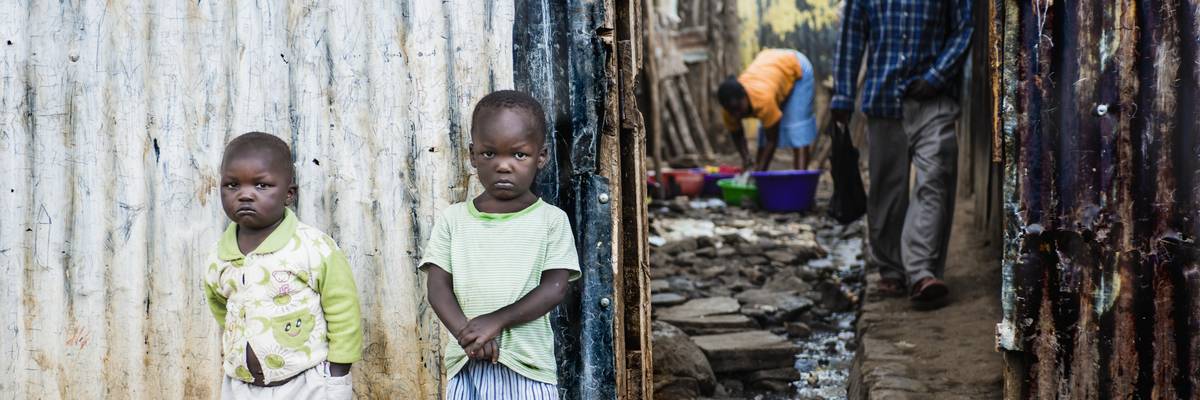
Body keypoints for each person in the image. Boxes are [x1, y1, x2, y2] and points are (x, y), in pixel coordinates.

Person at [421, 90, 581, 399]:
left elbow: (554, 289)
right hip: (467, 365)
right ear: (472, 155)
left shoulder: (551, 221)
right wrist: (468, 335)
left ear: (542, 156)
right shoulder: (453, 220)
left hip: (527, 368)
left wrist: (495, 322)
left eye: (519, 154)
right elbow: (437, 288)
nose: (503, 166)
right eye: (489, 153)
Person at [831, 0, 972, 308]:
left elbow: (964, 29)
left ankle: (921, 272)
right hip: (883, 100)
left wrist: (937, 75)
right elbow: (851, 39)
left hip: (934, 100)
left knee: (936, 177)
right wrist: (842, 95)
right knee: (887, 190)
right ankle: (891, 268)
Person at [204, 132, 362, 399]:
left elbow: (343, 309)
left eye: (261, 186)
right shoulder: (219, 256)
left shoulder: (314, 247)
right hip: (240, 385)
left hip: (308, 382)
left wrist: (338, 371)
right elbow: (223, 308)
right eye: (232, 185)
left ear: (289, 194)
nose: (245, 195)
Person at [717, 48, 817, 171]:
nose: (736, 115)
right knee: (763, 135)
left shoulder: (763, 100)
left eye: (738, 108)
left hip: (795, 65)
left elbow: (771, 140)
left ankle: (801, 180)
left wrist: (758, 173)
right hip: (770, 64)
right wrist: (746, 160)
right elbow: (737, 135)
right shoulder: (728, 110)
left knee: (797, 129)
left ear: (745, 96)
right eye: (732, 111)